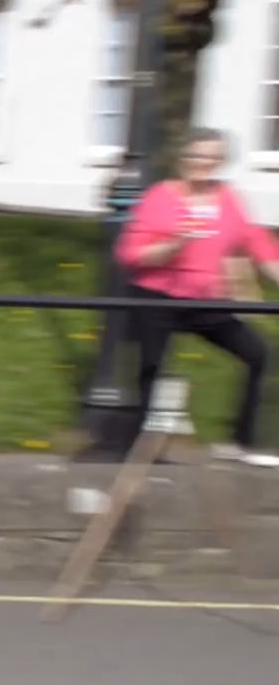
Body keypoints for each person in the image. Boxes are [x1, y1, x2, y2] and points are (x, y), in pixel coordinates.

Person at [115, 127, 279, 465]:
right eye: (197, 155)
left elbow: (258, 244)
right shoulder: (160, 196)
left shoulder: (228, 198)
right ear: (183, 158)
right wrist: (174, 245)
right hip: (157, 294)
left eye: (212, 157)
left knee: (257, 354)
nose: (203, 163)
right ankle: (141, 450)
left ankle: (241, 441)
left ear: (220, 162)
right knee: (153, 366)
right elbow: (130, 255)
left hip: (206, 299)